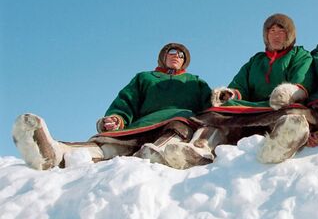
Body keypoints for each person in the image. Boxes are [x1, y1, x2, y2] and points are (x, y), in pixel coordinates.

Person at [12, 43, 212, 170]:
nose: (176, 56)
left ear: (185, 61)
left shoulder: (195, 82)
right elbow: (126, 101)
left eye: (181, 54)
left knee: (181, 124)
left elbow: (212, 108)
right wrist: (117, 118)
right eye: (172, 52)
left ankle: (159, 153)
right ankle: (54, 152)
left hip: (178, 125)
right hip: (142, 125)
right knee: (108, 147)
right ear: (163, 57)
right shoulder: (145, 78)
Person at [161, 13, 318, 168]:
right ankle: (199, 149)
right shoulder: (256, 60)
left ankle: (279, 146)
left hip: (282, 107)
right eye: (271, 31)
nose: (276, 35)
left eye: (281, 31)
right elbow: (240, 86)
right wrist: (229, 94)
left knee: (294, 115)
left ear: (289, 34)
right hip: (254, 109)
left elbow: (302, 84)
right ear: (265, 36)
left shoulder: (300, 55)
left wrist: (288, 92)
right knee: (217, 113)